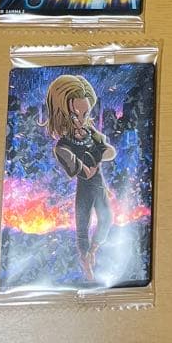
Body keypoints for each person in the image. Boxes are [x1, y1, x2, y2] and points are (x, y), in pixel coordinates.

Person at [40, 74, 116, 281]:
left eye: (85, 113)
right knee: (82, 228)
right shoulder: (62, 147)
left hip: (99, 185)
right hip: (85, 189)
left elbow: (110, 152)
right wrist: (97, 154)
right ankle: (85, 262)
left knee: (106, 219)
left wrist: (97, 154)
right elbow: (86, 171)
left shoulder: (90, 131)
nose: (81, 120)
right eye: (75, 115)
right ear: (62, 113)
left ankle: (93, 251)